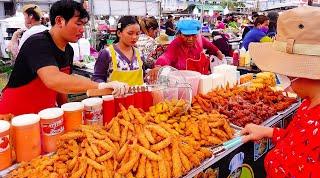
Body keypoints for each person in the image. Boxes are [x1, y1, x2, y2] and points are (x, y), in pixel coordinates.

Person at [0, 0, 128, 116]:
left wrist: (64, 109)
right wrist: (100, 86)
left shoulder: (68, 50)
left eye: (84, 25)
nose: (82, 30)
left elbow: (63, 84)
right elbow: (54, 80)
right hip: (15, 115)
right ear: (59, 21)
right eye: (78, 24)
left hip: (45, 115)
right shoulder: (38, 43)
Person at [243, 6, 320, 178]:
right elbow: (297, 139)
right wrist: (268, 132)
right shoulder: (308, 104)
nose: (283, 80)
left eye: (284, 72)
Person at [155, 19, 224, 74]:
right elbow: (166, 56)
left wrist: (218, 52)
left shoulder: (199, 38)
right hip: (184, 83)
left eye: (193, 35)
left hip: (201, 78)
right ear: (179, 34)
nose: (190, 39)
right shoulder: (176, 43)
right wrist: (158, 67)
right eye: (186, 35)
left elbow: (210, 45)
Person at [92, 16, 145, 86]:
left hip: (137, 96)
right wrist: (107, 85)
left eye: (137, 33)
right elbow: (96, 78)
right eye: (130, 33)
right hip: (113, 96)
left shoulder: (139, 54)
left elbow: (144, 75)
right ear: (119, 33)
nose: (134, 37)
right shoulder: (107, 53)